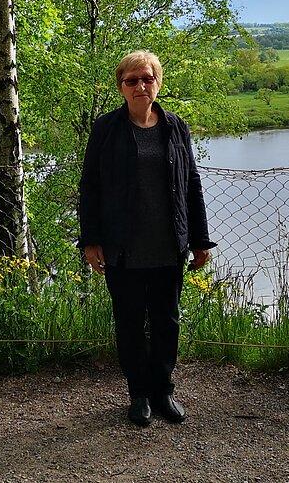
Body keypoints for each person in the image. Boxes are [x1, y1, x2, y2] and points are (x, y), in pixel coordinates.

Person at [77, 50, 214, 427]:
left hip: (168, 245)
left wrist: (200, 238)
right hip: (123, 248)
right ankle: (138, 394)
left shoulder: (175, 127)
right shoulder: (106, 129)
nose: (140, 85)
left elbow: (191, 183)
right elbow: (90, 186)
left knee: (167, 321)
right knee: (130, 323)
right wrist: (91, 240)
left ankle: (163, 390)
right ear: (121, 87)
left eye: (147, 78)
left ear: (158, 83)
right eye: (132, 80)